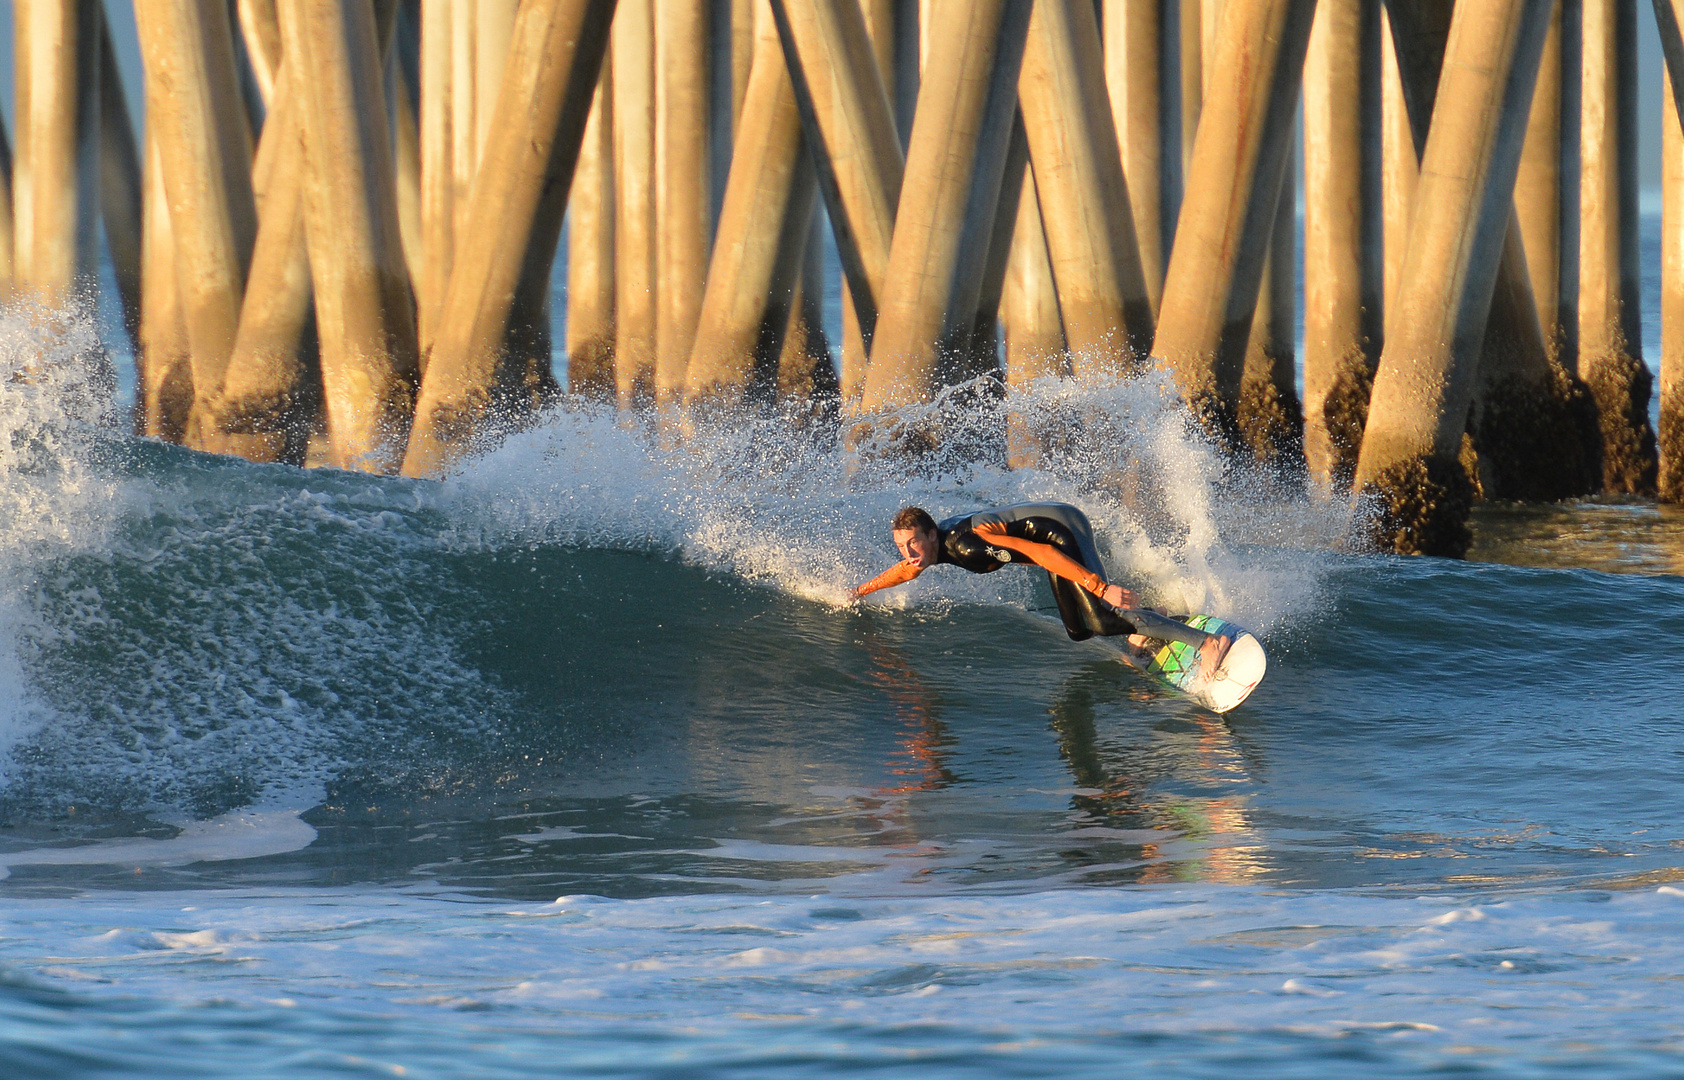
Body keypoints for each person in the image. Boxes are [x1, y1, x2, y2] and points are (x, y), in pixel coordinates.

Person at [854, 502, 1233, 674]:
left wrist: (1098, 586)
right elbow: (904, 572)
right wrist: (860, 591)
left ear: (932, 535)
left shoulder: (967, 545)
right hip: (1048, 540)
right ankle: (1151, 621)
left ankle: (1208, 643)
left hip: (1061, 529)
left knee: (1101, 617)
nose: (908, 553)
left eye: (913, 544)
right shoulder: (930, 550)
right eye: (901, 546)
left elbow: (1041, 550)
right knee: (1078, 630)